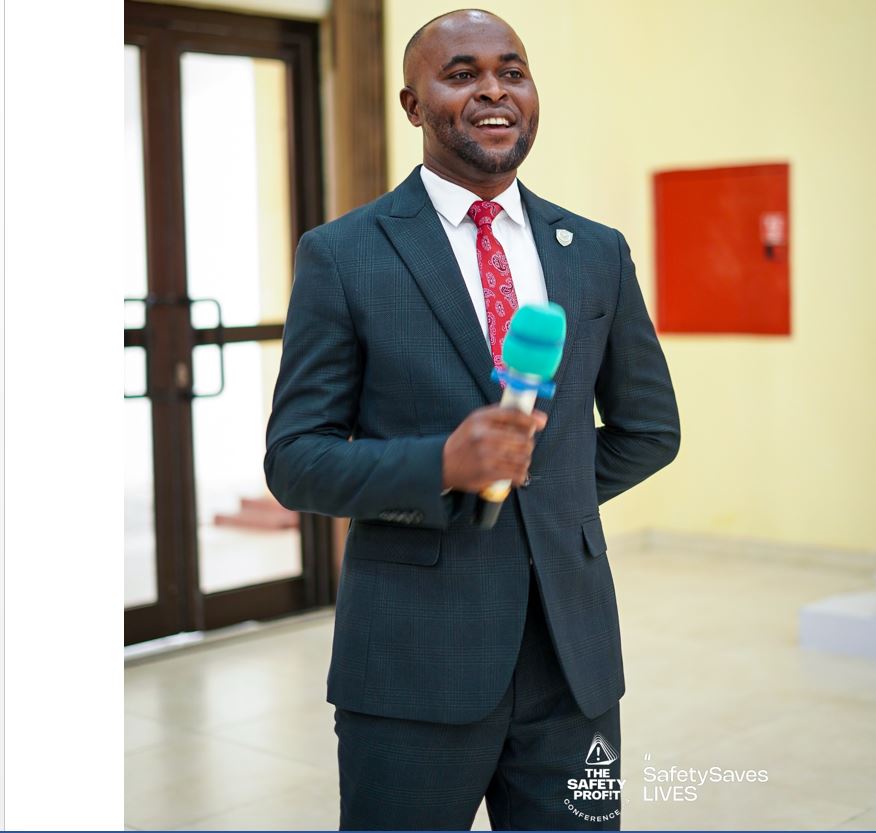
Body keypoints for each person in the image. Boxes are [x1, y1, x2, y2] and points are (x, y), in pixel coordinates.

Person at [265, 8, 680, 830]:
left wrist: (540, 494)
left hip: (572, 661)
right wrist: (443, 468)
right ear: (413, 104)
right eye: (461, 74)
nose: (494, 90)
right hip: (412, 663)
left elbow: (650, 430)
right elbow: (296, 459)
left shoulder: (596, 251)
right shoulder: (344, 255)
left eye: (512, 71)